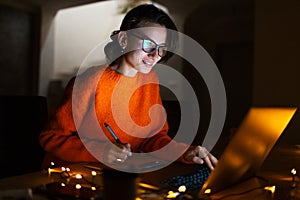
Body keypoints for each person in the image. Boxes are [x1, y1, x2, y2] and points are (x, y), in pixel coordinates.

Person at [39, 4, 218, 170]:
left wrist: (184, 152)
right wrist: (101, 151)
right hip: (74, 177)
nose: (156, 55)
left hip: (122, 175)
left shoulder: (150, 80)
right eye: (149, 45)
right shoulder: (90, 81)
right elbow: (50, 138)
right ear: (124, 39)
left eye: (162, 49)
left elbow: (153, 139)